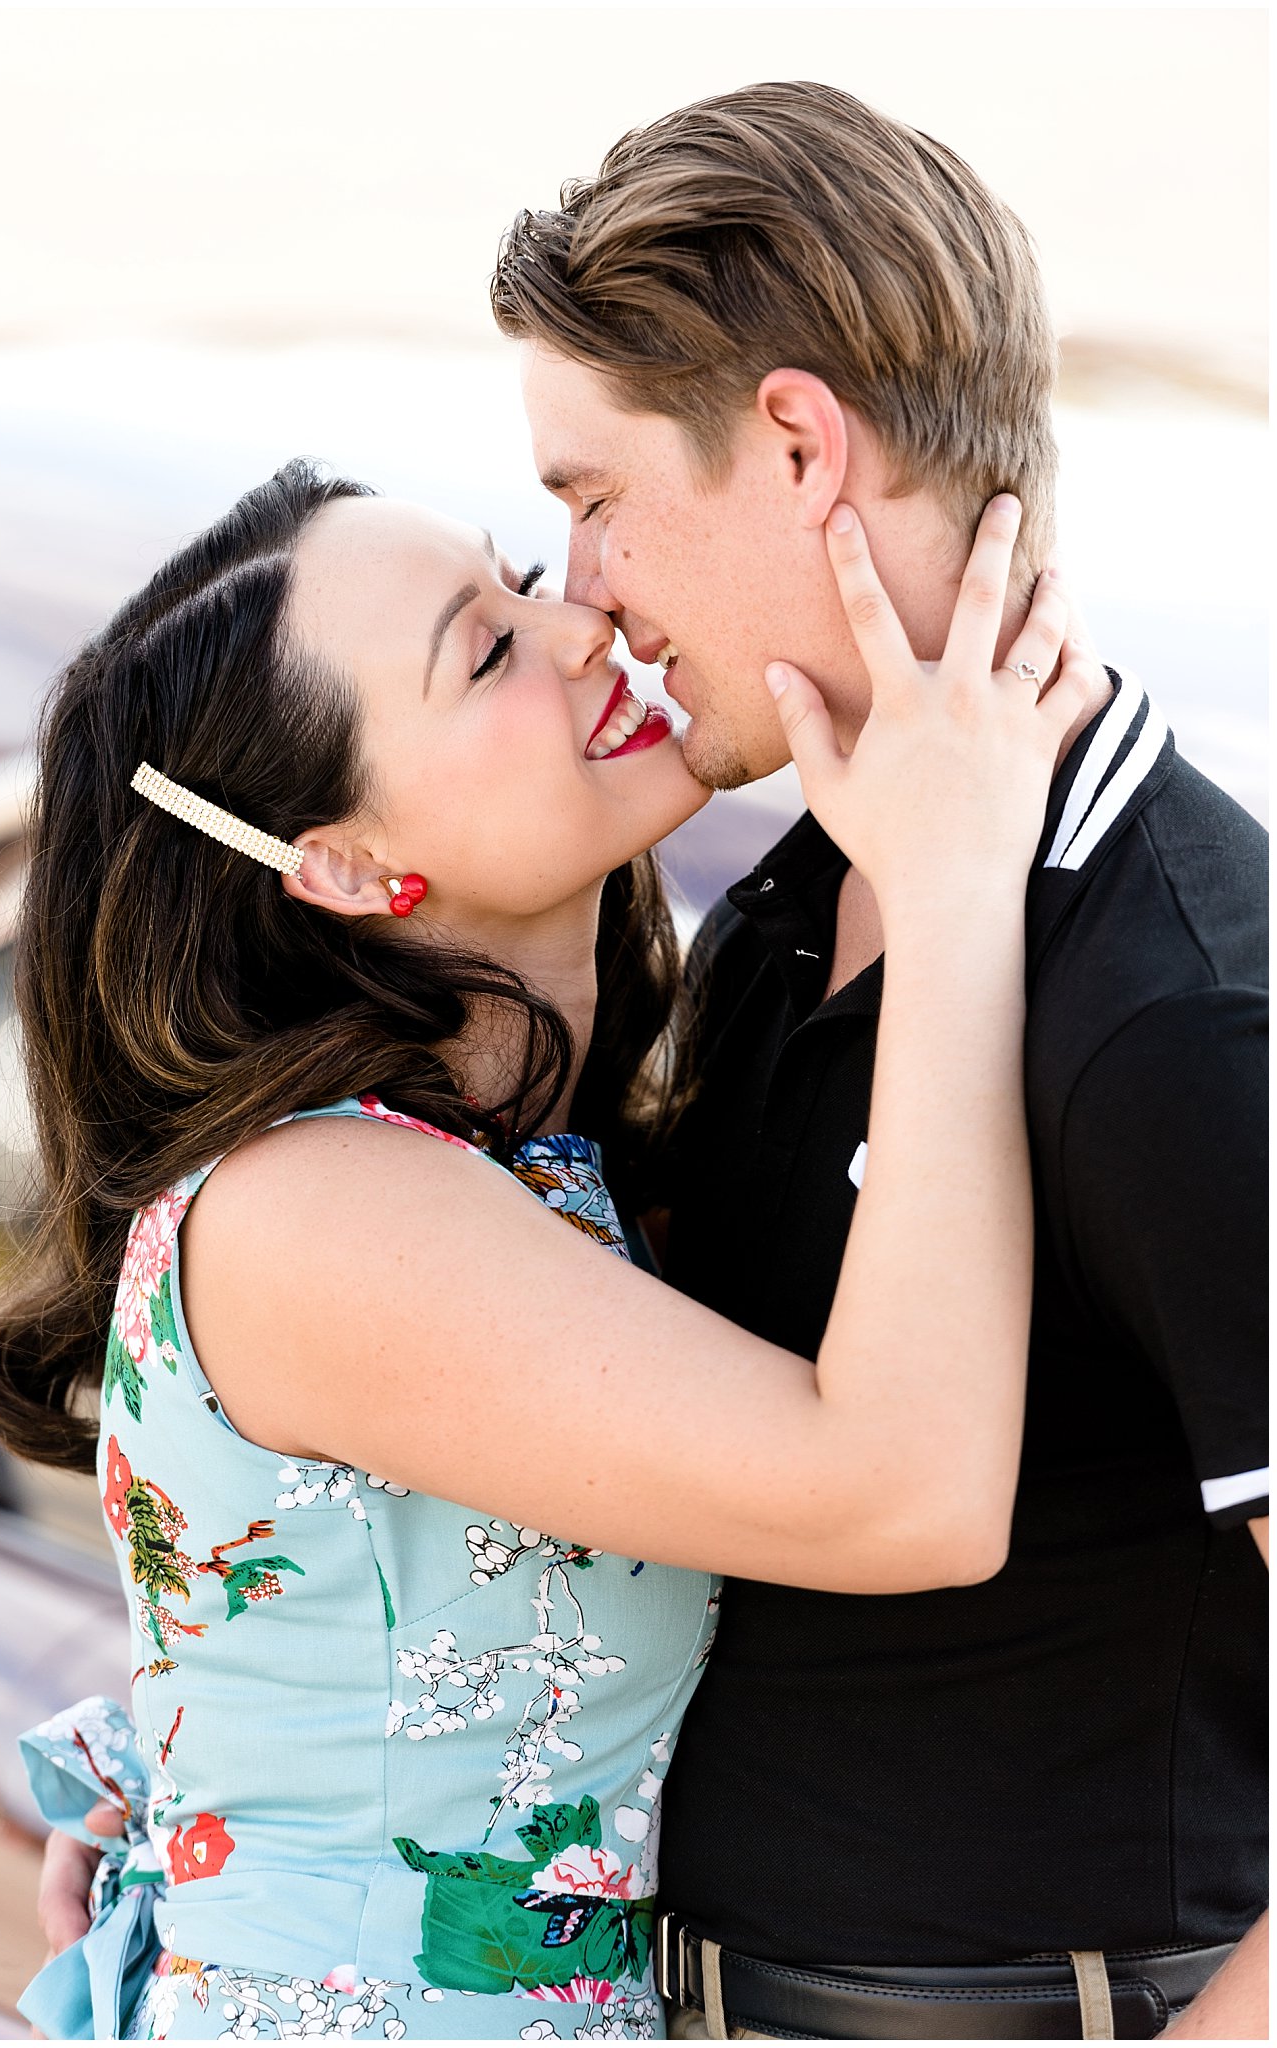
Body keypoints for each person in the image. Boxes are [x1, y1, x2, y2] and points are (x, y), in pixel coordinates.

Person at [0, 461, 1087, 2039]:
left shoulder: (541, 1173)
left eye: (521, 580)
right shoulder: (316, 1210)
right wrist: (958, 876)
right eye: (482, 651)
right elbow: (907, 1490)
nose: (577, 629)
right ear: (340, 863)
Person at [487, 79, 1268, 2042]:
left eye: (590, 501)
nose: (577, 583)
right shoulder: (785, 896)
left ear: (791, 440)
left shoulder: (1179, 1003)